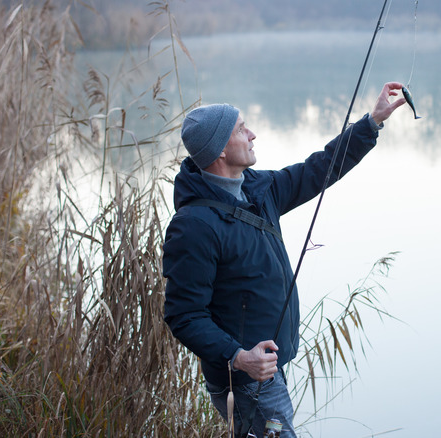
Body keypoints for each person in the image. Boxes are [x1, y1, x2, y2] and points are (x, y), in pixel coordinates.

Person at [162, 82, 406, 437]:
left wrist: (371, 122)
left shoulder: (258, 189)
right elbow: (183, 315)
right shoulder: (194, 226)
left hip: (268, 368)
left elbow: (317, 169)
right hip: (244, 380)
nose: (252, 134)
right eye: (241, 129)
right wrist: (239, 356)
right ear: (219, 152)